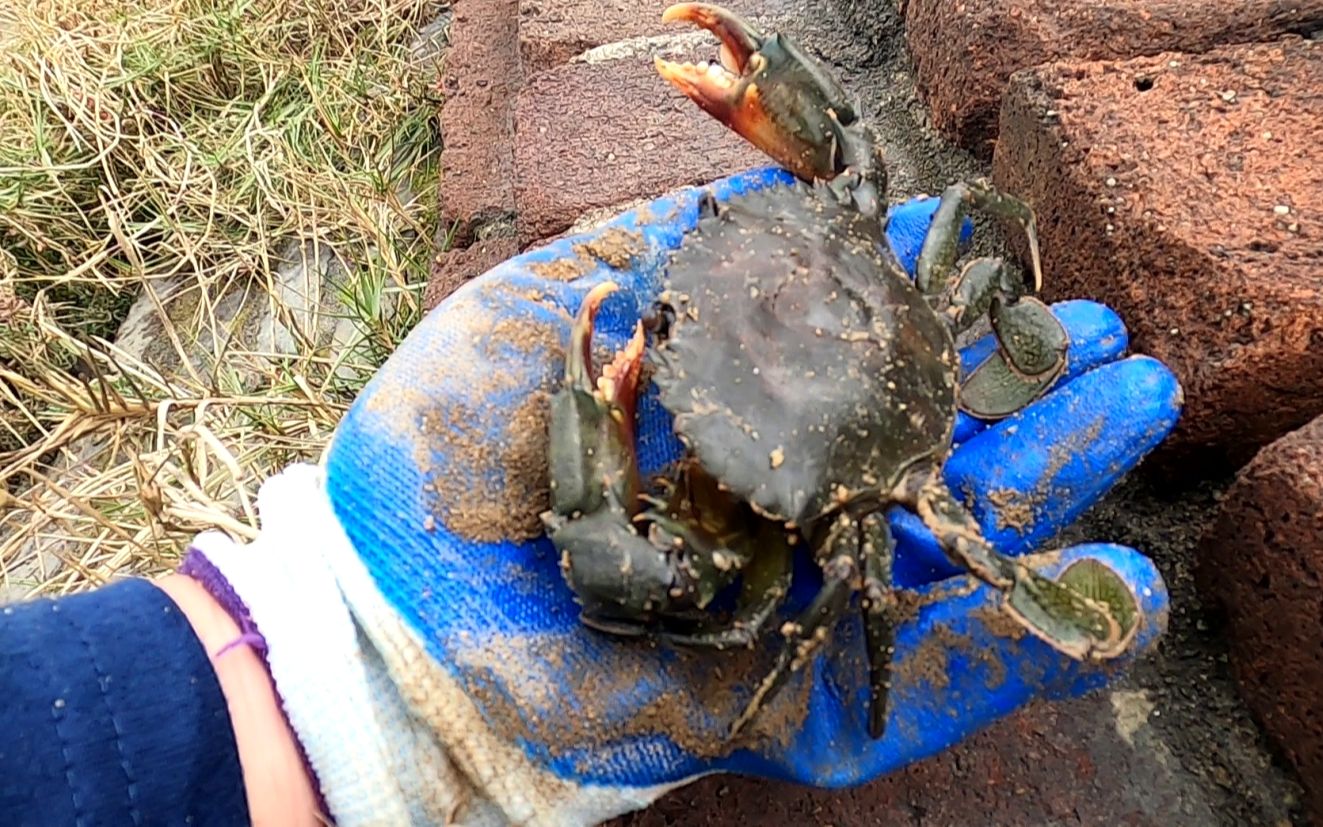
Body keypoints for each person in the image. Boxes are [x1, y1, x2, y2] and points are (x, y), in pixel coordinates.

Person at [0, 167, 1183, 826]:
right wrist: (357, 672)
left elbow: (659, 586)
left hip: (873, 436)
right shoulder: (808, 242)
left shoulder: (822, 504)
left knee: (773, 594)